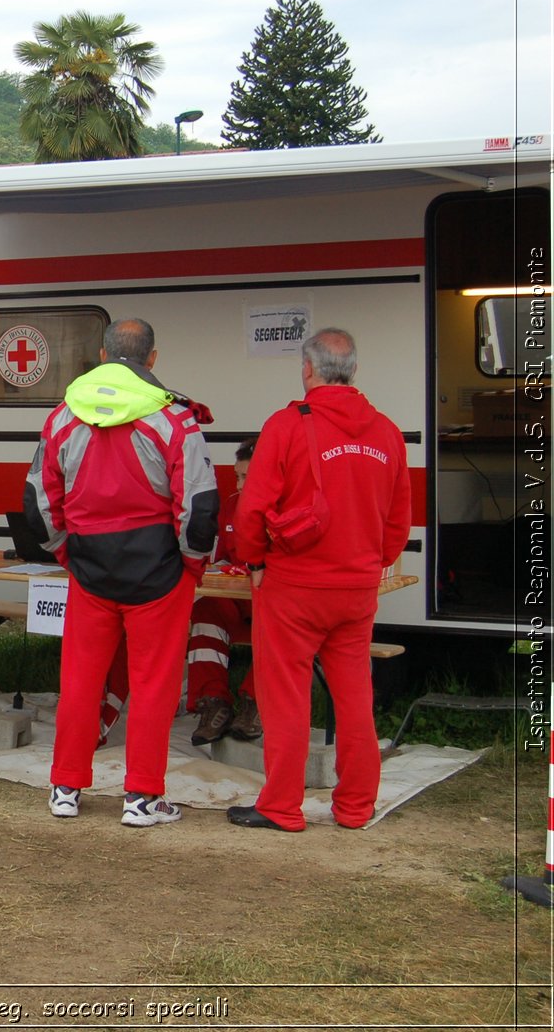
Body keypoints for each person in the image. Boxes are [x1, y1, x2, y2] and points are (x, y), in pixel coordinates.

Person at [24, 318, 218, 826]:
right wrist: (191, 568)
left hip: (90, 571)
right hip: (159, 573)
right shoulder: (175, 419)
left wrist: (68, 554)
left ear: (103, 354)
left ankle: (64, 788)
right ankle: (142, 798)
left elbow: (38, 503)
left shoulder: (62, 417)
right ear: (152, 359)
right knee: (153, 685)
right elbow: (198, 508)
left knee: (80, 681)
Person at [228, 328, 410, 831]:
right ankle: (355, 806)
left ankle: (281, 806)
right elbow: (398, 522)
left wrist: (256, 561)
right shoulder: (388, 432)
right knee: (354, 698)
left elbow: (252, 510)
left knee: (285, 697)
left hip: (292, 588)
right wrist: (373, 566)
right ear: (353, 371)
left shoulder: (286, 426)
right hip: (356, 592)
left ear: (308, 370)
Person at [186, 437, 263, 744]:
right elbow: (218, 560)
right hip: (239, 603)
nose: (240, 484)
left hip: (273, 604)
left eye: (247, 477)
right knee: (205, 608)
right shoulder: (230, 505)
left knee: (282, 621)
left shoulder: (286, 509)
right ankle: (214, 703)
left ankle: (254, 704)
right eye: (238, 476)